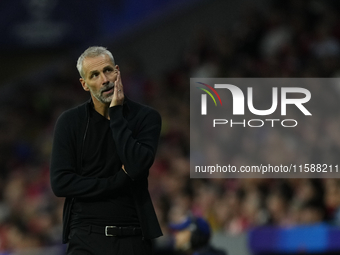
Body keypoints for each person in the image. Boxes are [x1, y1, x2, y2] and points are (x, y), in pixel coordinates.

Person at [50, 46, 162, 255]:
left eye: (108, 70)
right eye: (94, 75)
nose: (104, 79)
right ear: (84, 84)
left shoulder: (146, 118)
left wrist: (116, 113)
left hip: (133, 237)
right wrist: (117, 181)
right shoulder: (69, 122)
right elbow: (60, 183)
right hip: (86, 238)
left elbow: (136, 166)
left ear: (117, 71)